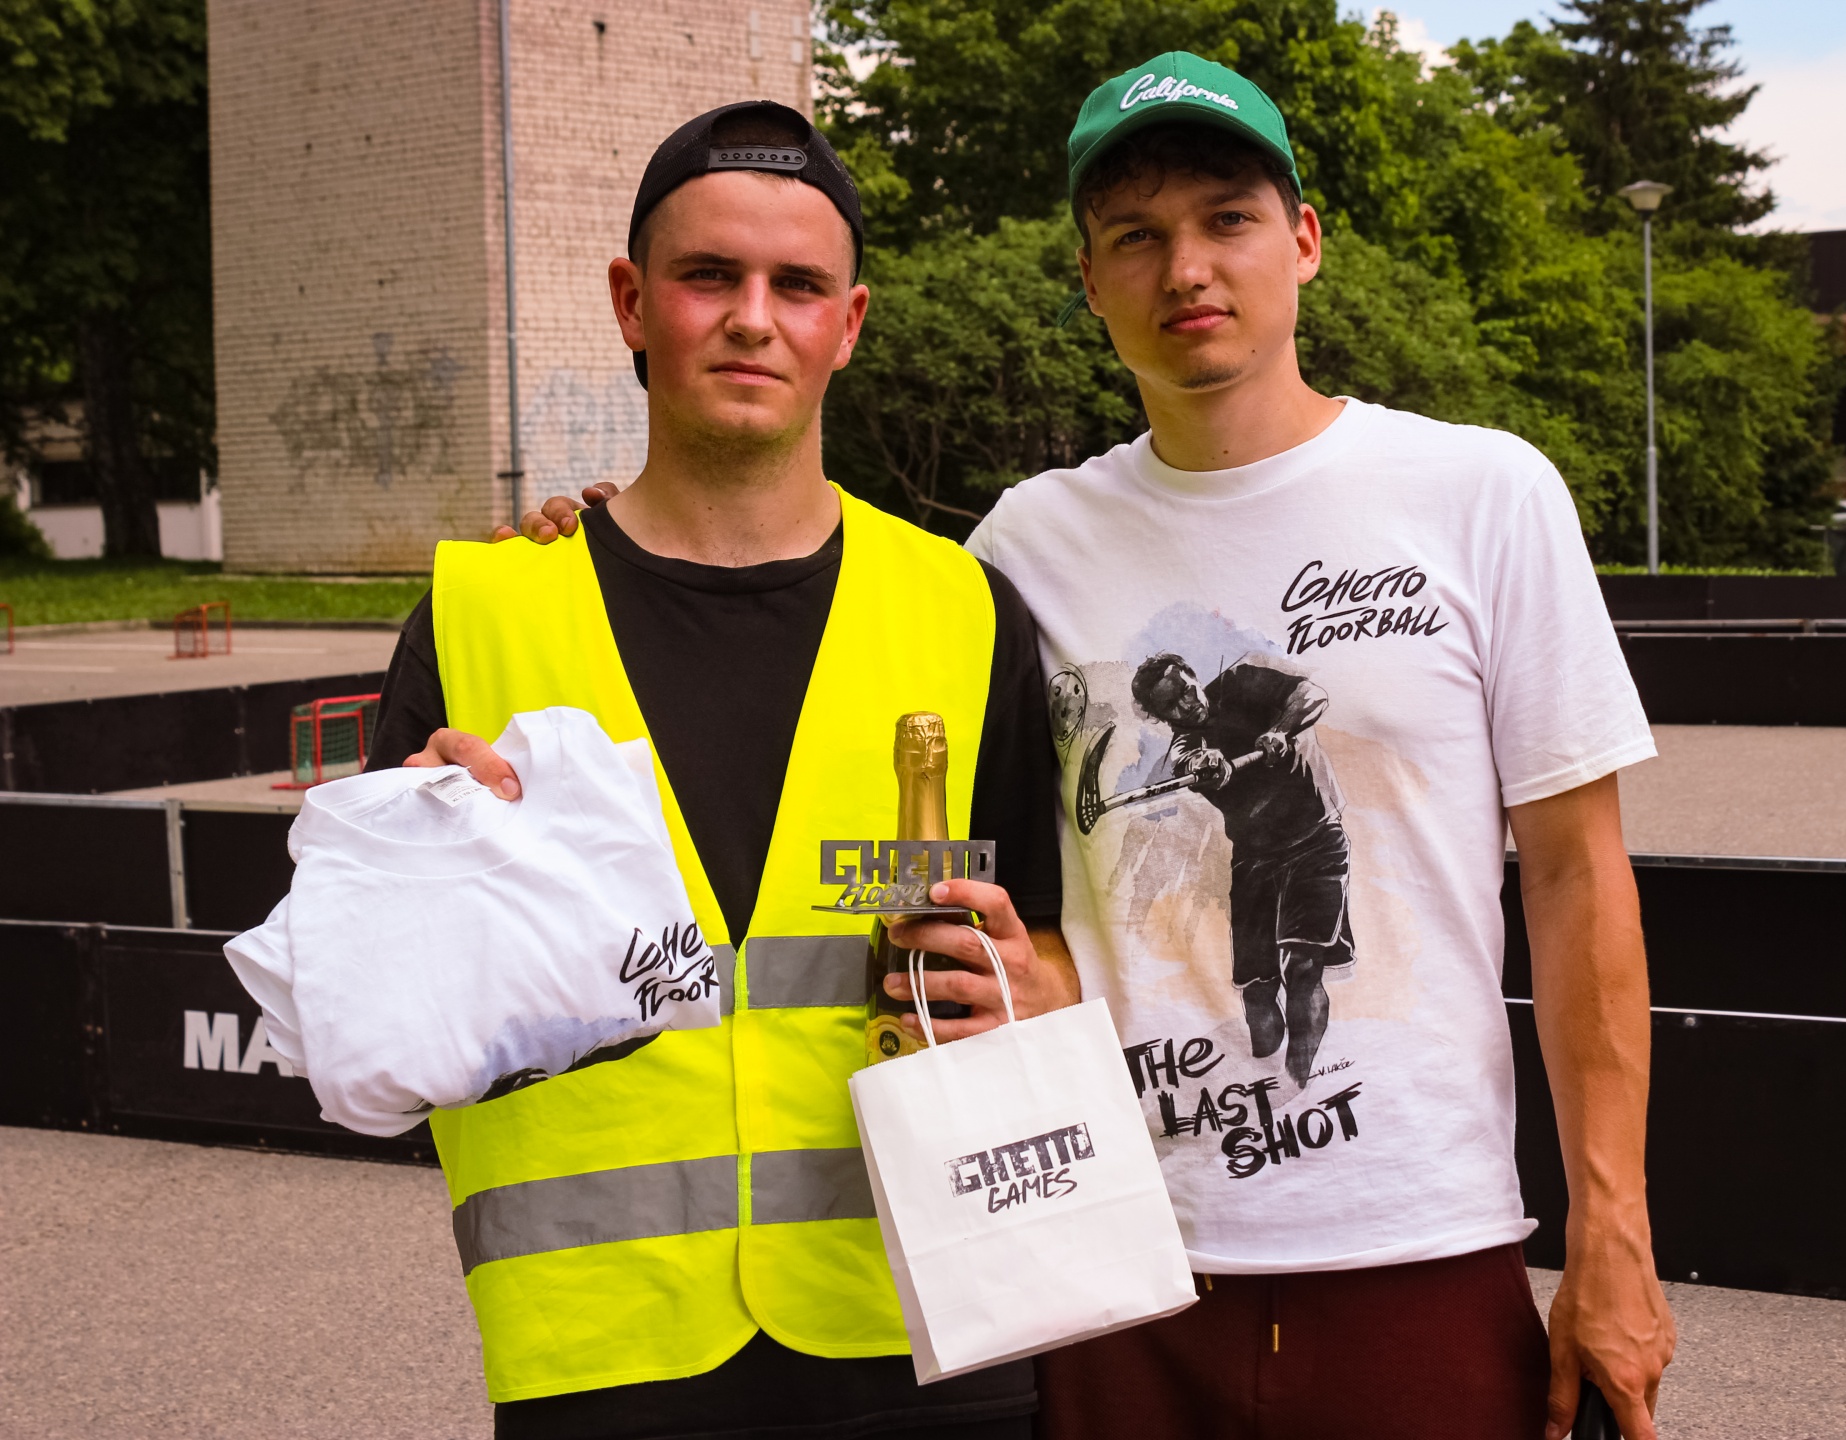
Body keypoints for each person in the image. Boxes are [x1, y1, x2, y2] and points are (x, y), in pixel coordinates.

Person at [524, 54, 1675, 1440]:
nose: (1186, 267)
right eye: (1135, 236)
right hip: (1110, 1265)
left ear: (1305, 240)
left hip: (1418, 1250)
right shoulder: (1024, 548)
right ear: (1089, 281)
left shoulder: (1482, 496)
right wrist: (618, 541)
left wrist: (1614, 1230)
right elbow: (866, 692)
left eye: (1227, 219)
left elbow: (1577, 880)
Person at [367, 100, 1076, 1439]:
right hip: (602, 1357)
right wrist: (423, 884)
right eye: (709, 276)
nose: (755, 319)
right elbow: (385, 1030)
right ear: (633, 303)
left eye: (797, 285)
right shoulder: (480, 617)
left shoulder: (965, 611)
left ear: (847, 325)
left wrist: (1033, 990)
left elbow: (1047, 946)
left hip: (932, 1336)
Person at [1128, 652, 1350, 1088]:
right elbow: (1192, 763)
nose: (1188, 704)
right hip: (1255, 859)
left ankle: (1297, 1084)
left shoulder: (1241, 682)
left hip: (1317, 838)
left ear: (1194, 675)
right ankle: (1264, 1081)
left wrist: (1280, 730)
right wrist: (1207, 765)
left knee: (1303, 966)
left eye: (1187, 688)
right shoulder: (1185, 749)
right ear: (1162, 717)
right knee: (1257, 991)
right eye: (1173, 704)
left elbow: (1312, 696)